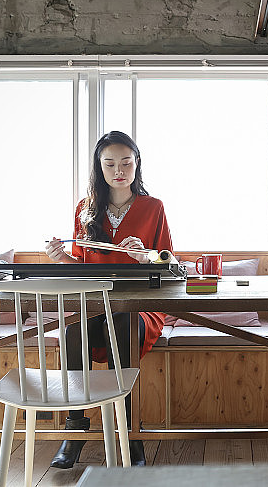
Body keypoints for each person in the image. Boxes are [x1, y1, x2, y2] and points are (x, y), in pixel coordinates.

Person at [45, 131, 172, 468]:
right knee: (72, 331)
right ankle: (74, 431)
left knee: (122, 323)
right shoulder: (85, 209)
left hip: (139, 309)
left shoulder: (153, 207)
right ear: (99, 168)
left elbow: (171, 264)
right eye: (110, 163)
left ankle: (130, 436)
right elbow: (81, 270)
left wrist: (146, 256)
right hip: (95, 305)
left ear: (137, 164)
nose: (119, 170)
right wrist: (61, 258)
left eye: (126, 162)